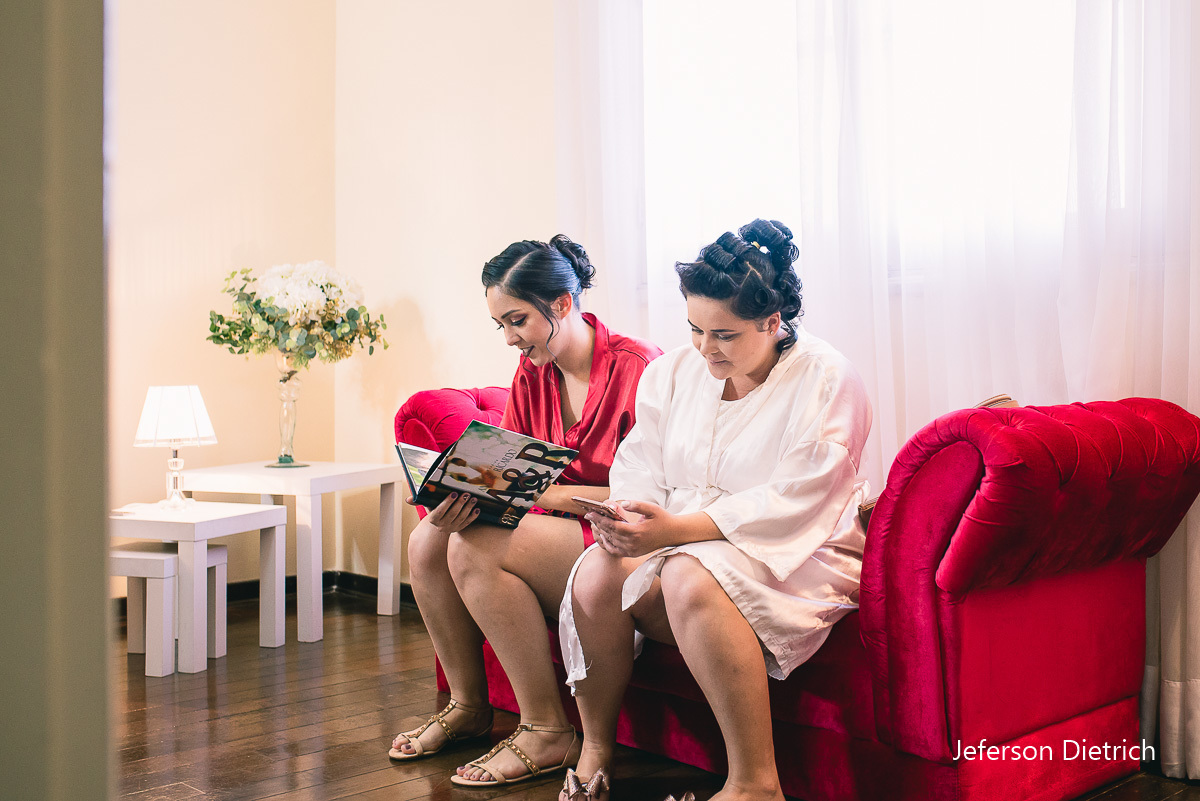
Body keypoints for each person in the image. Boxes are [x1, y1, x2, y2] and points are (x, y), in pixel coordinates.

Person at [557, 220, 872, 801]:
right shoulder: (673, 372)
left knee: (687, 574)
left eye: (723, 334)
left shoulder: (826, 378)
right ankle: (597, 747)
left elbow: (805, 495)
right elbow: (638, 461)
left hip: (795, 549)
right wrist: (629, 517)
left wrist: (677, 531)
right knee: (598, 571)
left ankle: (755, 783)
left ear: (772, 323)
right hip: (679, 538)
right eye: (695, 328)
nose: (705, 348)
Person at [388, 235, 662, 789]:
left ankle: (547, 729)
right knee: (428, 541)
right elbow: (517, 469)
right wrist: (463, 496)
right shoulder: (531, 375)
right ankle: (468, 706)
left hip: (626, 538)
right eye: (502, 326)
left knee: (475, 547)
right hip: (559, 529)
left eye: (518, 321)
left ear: (562, 303)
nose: (511, 338)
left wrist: (533, 497)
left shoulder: (640, 369)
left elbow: (652, 495)